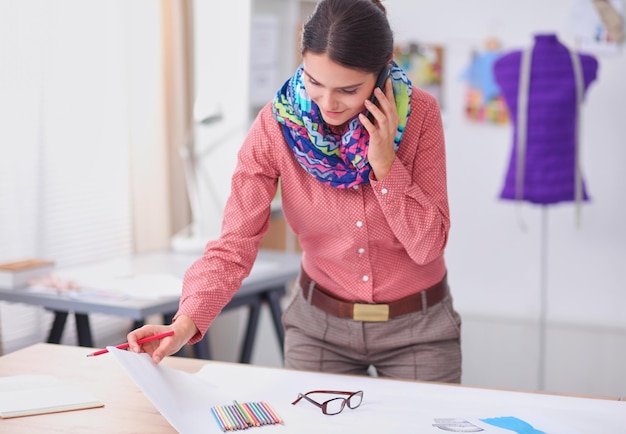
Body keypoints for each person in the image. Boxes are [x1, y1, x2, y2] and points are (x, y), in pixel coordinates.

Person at [128, 0, 461, 383]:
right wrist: (185, 323)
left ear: (383, 66)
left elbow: (427, 246)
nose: (328, 104)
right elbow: (234, 244)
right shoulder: (275, 126)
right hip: (319, 331)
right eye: (314, 82)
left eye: (348, 90)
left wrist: (385, 165)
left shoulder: (419, 114)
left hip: (418, 330)